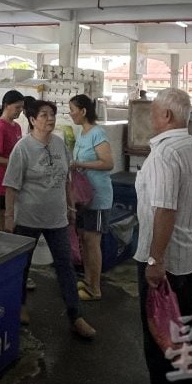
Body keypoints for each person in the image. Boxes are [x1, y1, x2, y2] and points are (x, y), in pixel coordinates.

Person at [135, 87, 192, 384]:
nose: (151, 116)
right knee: (184, 331)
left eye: (153, 111)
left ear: (166, 116)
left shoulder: (165, 154)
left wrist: (155, 261)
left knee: (159, 335)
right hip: (191, 258)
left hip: (165, 264)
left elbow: (164, 210)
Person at [3, 98, 96, 340]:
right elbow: (11, 186)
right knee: (22, 267)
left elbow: (66, 178)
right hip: (28, 219)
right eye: (44, 115)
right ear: (33, 120)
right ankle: (20, 305)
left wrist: (70, 206)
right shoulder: (22, 148)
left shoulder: (59, 144)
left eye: (52, 114)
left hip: (57, 219)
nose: (50, 119)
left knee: (65, 267)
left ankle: (75, 316)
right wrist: (10, 217)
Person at [68, 94, 114, 301]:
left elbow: (107, 163)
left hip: (98, 197)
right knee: (84, 239)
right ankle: (87, 280)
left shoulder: (97, 133)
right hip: (84, 197)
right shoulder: (82, 133)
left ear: (84, 111)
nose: (71, 114)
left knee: (92, 241)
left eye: (72, 110)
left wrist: (80, 164)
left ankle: (95, 288)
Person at [0, 90, 25, 232]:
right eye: (17, 107)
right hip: (1, 185)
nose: (20, 111)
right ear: (6, 105)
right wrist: (13, 163)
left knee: (3, 223)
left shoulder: (17, 127)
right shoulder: (0, 127)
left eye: (21, 107)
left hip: (14, 182)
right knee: (6, 227)